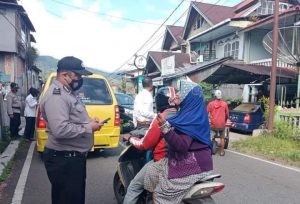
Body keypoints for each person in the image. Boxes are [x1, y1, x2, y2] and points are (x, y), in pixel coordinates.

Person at [39, 56, 103, 204]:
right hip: (64, 160)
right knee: (68, 199)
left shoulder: (67, 93)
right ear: (64, 75)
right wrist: (88, 127)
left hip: (70, 159)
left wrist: (89, 121)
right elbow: (60, 129)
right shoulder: (57, 96)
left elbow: (72, 119)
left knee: (70, 198)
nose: (80, 79)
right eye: (78, 75)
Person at [143, 80, 213, 204]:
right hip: (195, 159)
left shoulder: (190, 118)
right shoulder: (191, 113)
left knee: (160, 194)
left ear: (189, 98)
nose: (178, 94)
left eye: (182, 92)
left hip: (193, 163)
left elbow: (181, 147)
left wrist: (165, 127)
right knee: (151, 171)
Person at [123, 86, 177, 204]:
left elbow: (145, 145)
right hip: (182, 161)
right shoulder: (183, 115)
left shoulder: (160, 118)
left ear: (159, 101)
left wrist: (131, 138)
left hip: (162, 162)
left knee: (133, 187)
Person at [207, 90, 229, 156]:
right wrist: (225, 121)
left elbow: (206, 113)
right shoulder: (224, 104)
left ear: (215, 96)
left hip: (213, 124)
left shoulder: (211, 104)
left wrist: (208, 119)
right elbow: (227, 114)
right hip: (222, 124)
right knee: (222, 138)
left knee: (212, 136)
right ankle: (222, 152)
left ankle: (211, 149)